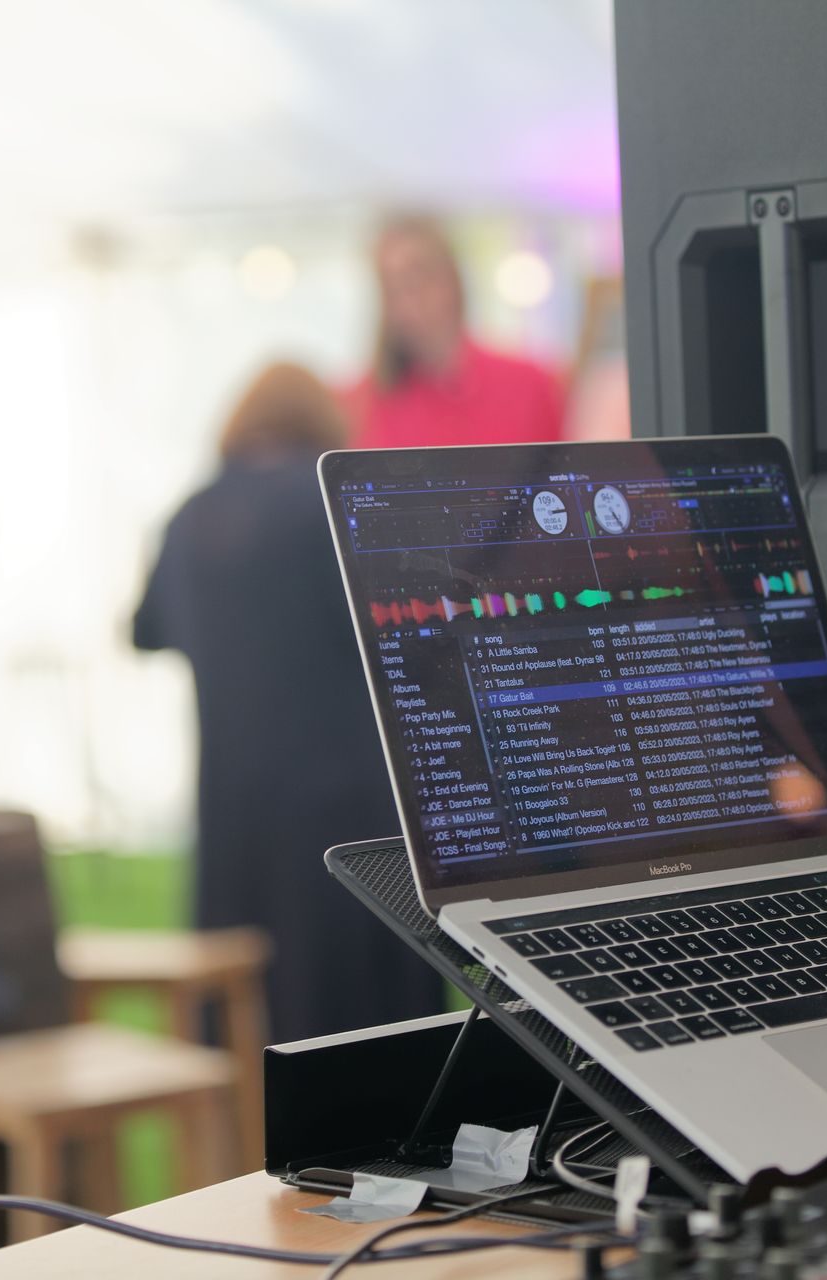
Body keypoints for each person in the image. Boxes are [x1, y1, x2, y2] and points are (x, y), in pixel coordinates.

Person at [133, 362, 444, 1042]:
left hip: (235, 817)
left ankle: (245, 1137)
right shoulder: (331, 502)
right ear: (322, 422)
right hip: (349, 812)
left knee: (250, 1021)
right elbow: (412, 631)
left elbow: (143, 631)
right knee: (373, 1032)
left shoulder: (190, 515)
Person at [344, 214, 567, 449]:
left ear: (451, 279)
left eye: (415, 279)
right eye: (391, 288)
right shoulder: (360, 404)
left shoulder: (529, 384)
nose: (406, 303)